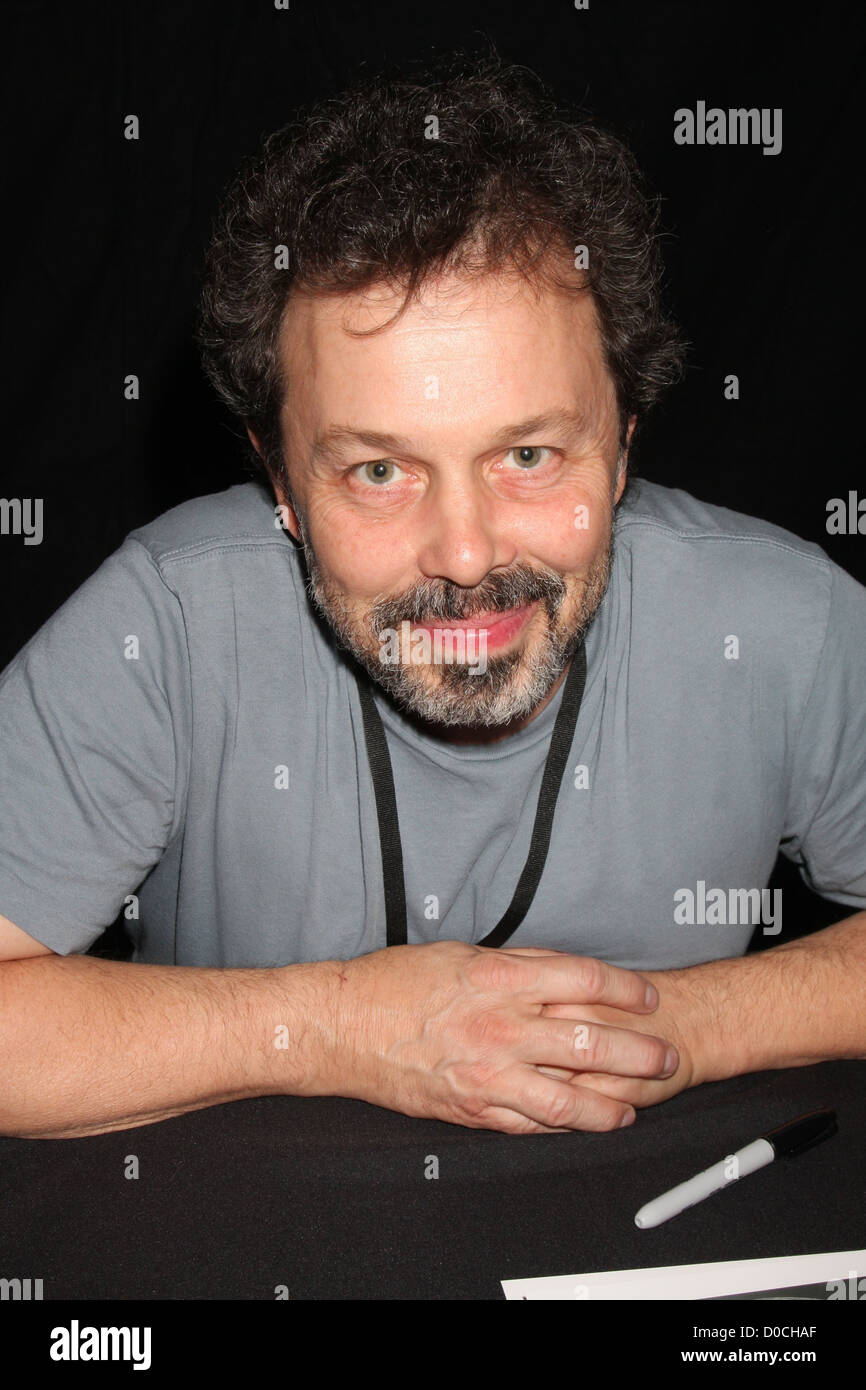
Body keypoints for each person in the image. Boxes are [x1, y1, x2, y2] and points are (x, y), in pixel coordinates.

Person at [1, 52, 864, 1142]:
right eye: (377, 471)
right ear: (282, 484)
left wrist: (684, 1025)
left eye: (531, 455)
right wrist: (343, 1025)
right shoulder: (166, 620)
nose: (463, 552)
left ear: (623, 445)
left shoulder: (781, 619)